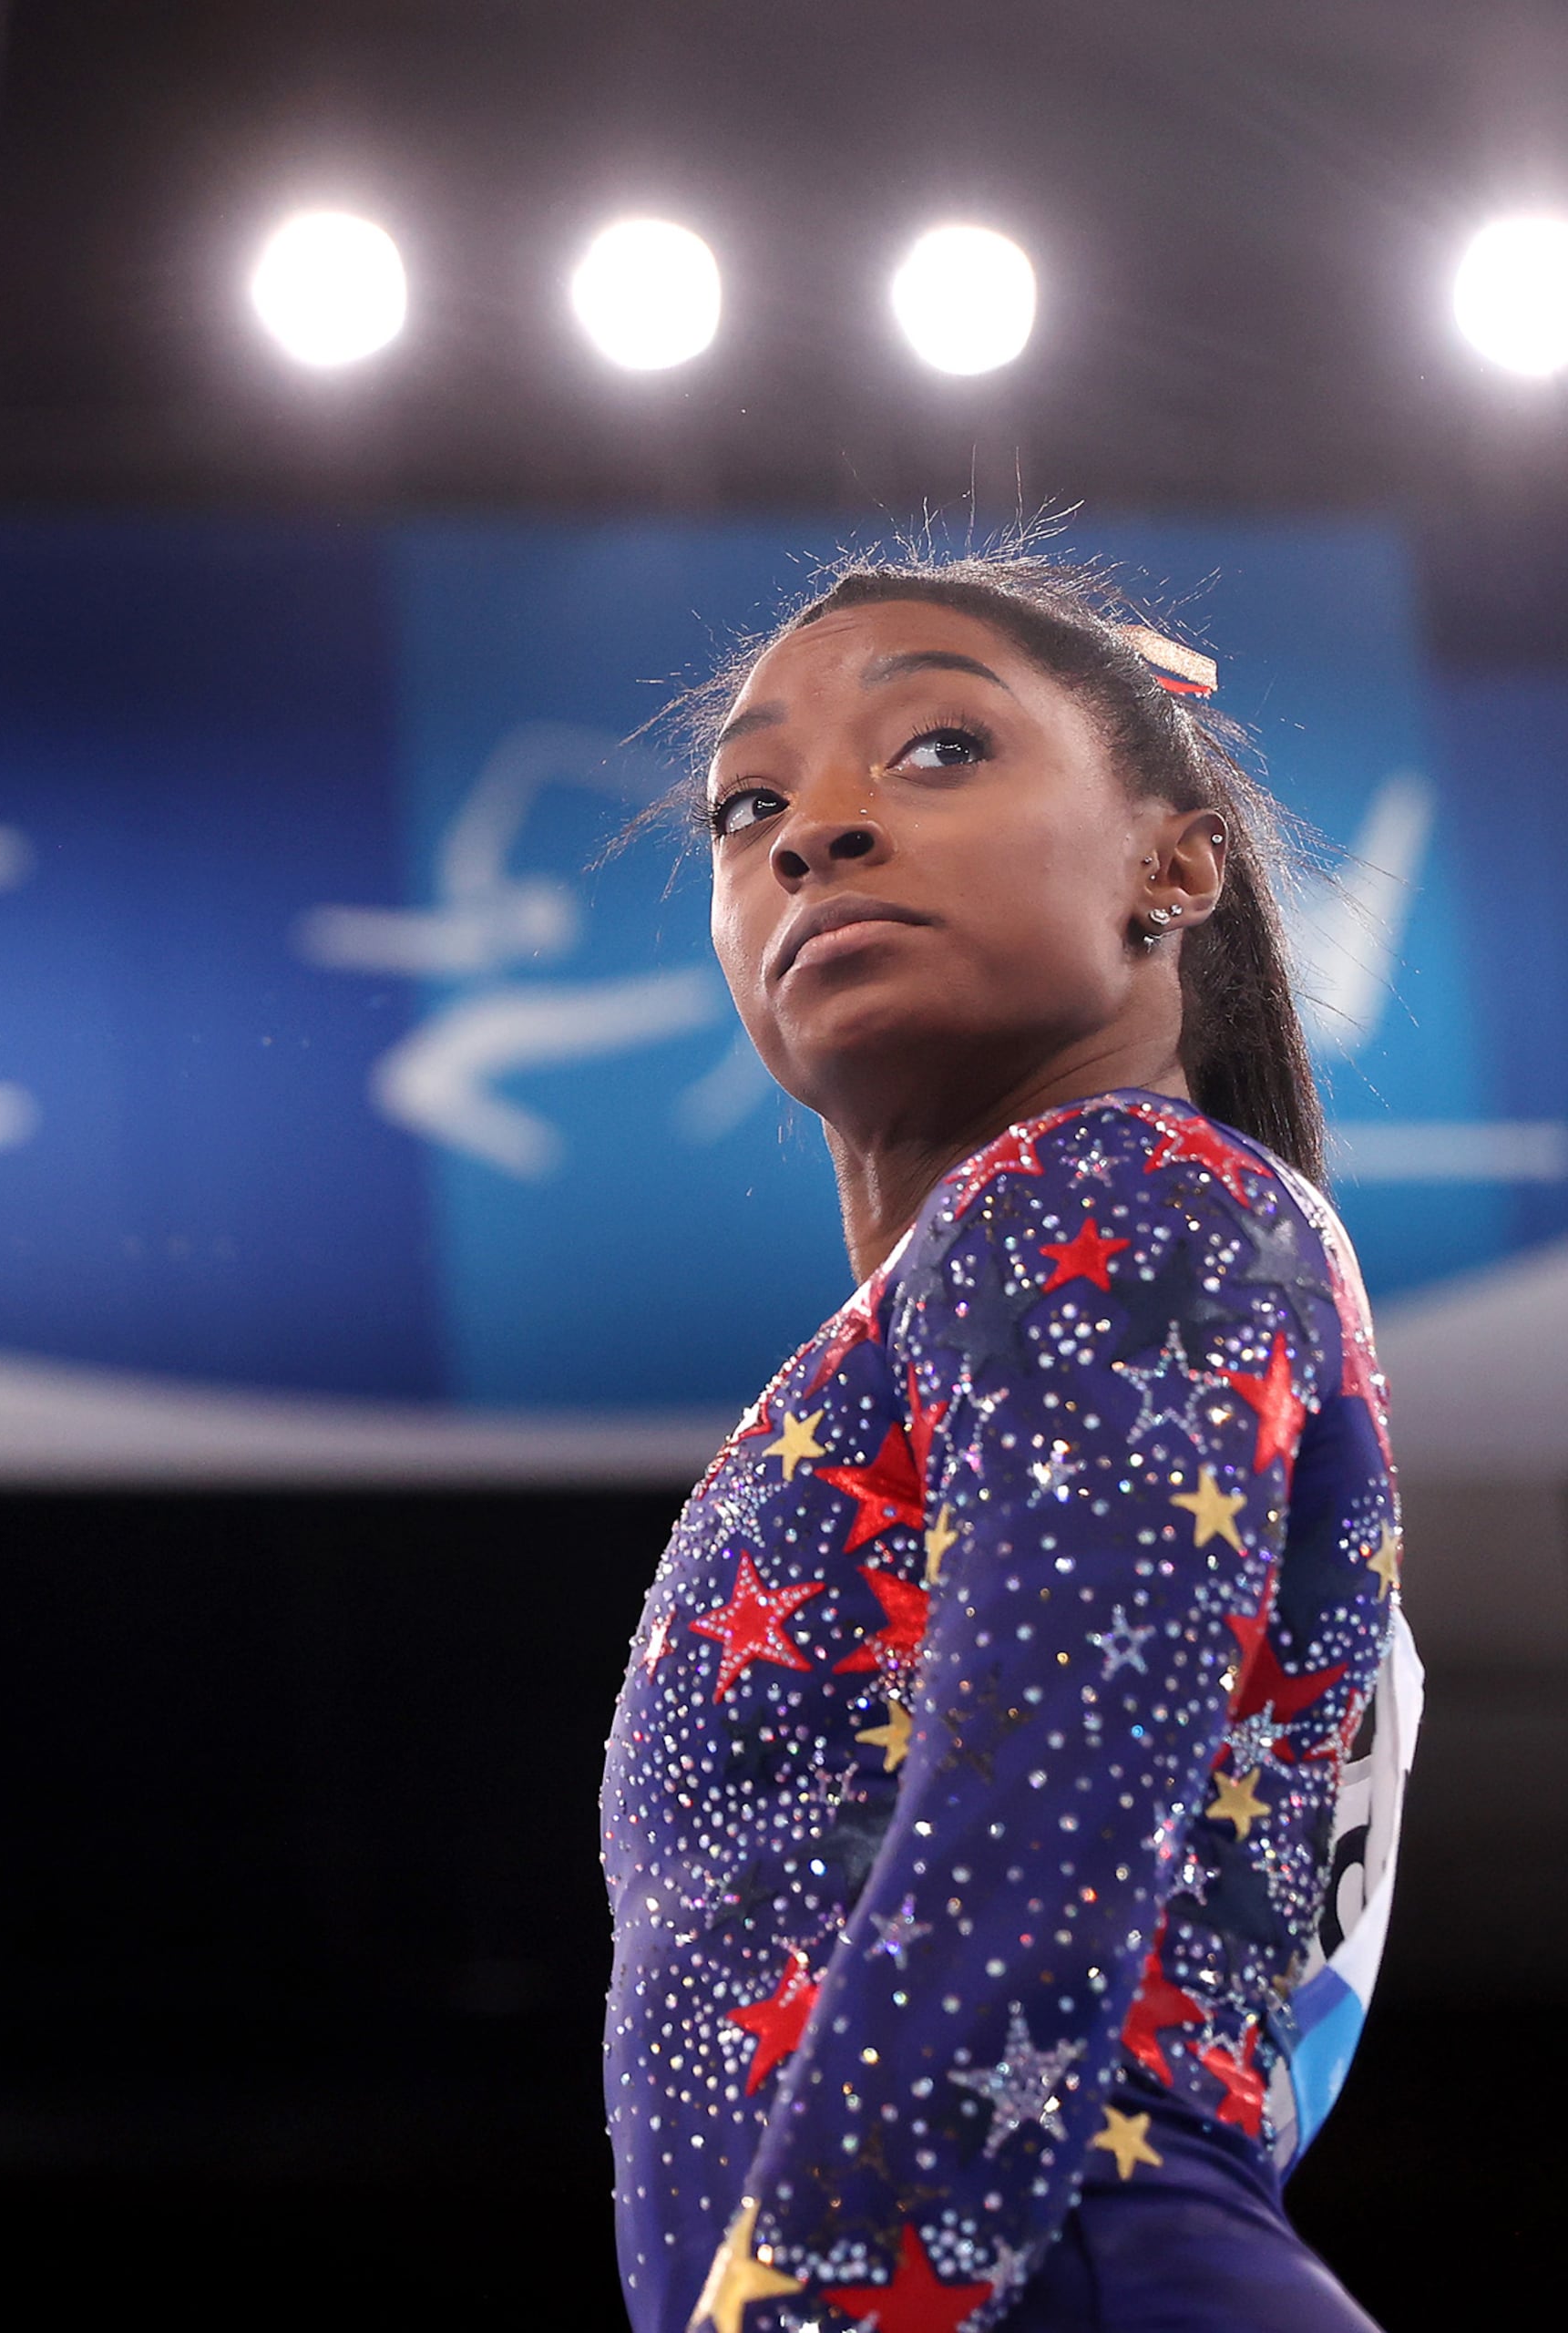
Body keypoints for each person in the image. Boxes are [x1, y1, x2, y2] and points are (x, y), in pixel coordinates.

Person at [600, 555, 1419, 2333]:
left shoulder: (1105, 1187)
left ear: (1172, 863)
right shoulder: (977, 1296)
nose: (813, 830)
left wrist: (815, 2302)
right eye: (754, 803)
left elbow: (1031, 1842)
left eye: (940, 747)